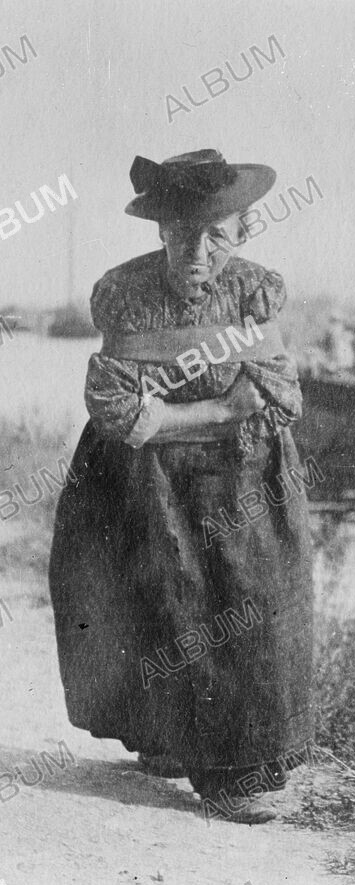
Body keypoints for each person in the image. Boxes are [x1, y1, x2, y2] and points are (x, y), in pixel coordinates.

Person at [49, 149, 314, 824]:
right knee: (155, 595)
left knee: (244, 600)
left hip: (238, 475)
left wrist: (176, 414)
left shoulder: (256, 290)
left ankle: (236, 768)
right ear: (160, 229)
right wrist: (205, 412)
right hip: (141, 478)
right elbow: (114, 407)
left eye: (216, 235)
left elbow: (278, 396)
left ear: (244, 230)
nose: (198, 252)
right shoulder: (125, 292)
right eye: (182, 233)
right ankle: (167, 738)